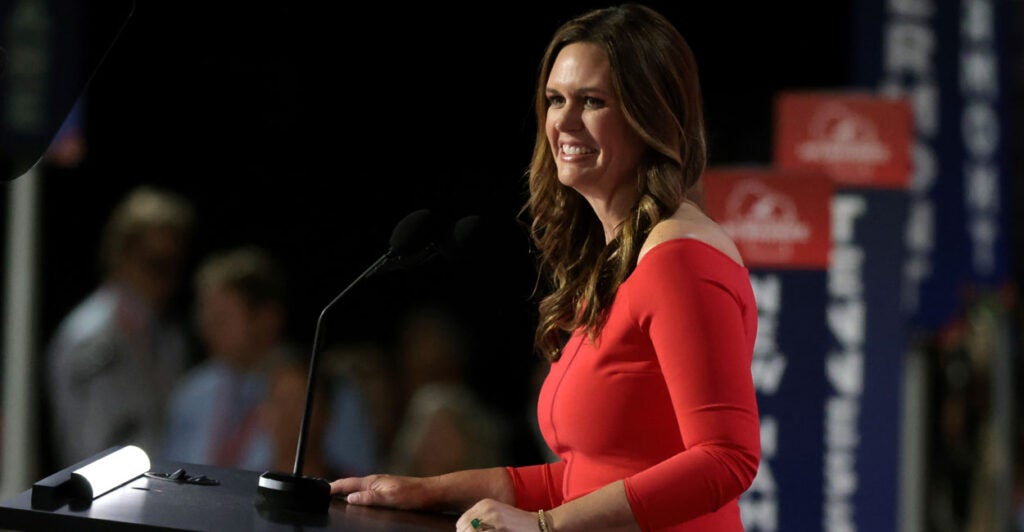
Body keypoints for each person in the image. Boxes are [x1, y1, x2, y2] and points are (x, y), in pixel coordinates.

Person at [330, 4, 760, 532]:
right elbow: (581, 482)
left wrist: (543, 527)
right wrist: (423, 490)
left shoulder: (680, 260)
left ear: (652, 114)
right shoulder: (622, 259)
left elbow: (727, 458)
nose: (564, 121)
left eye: (593, 102)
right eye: (556, 100)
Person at [161, 245, 377, 477]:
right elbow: (170, 471)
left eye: (222, 318)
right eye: (205, 316)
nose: (206, 328)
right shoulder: (192, 393)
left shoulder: (323, 391)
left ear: (267, 318)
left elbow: (355, 481)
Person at [46, 185, 196, 467]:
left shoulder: (169, 336)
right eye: (155, 263)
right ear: (123, 255)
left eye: (174, 266)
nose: (166, 279)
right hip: (105, 496)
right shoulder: (88, 336)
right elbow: (87, 444)